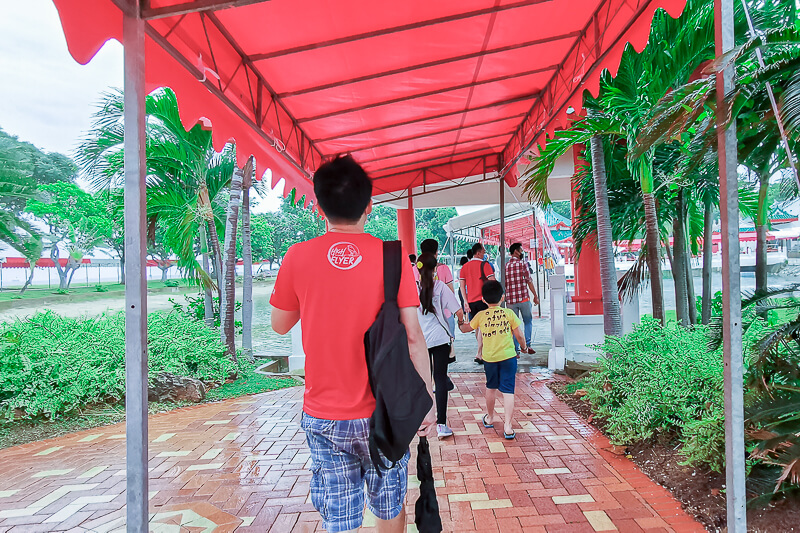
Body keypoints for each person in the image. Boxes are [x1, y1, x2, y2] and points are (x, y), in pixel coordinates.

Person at [270, 155, 435, 533]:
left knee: (340, 517)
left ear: (318, 208)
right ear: (369, 205)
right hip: (386, 411)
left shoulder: (297, 256)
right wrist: (426, 399)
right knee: (390, 505)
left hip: (325, 414)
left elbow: (280, 326)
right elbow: (413, 336)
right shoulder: (391, 257)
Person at [459, 280, 526, 440]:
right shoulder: (509, 313)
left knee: (491, 387)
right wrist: (523, 348)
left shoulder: (481, 316)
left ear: (483, 299)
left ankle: (490, 418)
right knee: (508, 390)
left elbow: (465, 328)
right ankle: (508, 427)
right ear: (502, 297)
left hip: (489, 359)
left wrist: (460, 318)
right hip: (509, 357)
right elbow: (519, 335)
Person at [416, 253, 464, 438]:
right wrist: (461, 321)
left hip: (421, 341)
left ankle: (422, 421)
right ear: (436, 269)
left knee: (423, 381)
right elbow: (457, 310)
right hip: (440, 340)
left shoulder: (413, 289)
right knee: (440, 379)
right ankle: (441, 425)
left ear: (418, 269)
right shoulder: (440, 287)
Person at [459, 243, 495, 364]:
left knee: (477, 327)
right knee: (482, 327)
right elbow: (492, 282)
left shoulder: (465, 267)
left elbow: (462, 286)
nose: (484, 254)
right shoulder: (485, 265)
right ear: (478, 253)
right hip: (483, 301)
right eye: (483, 252)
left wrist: (465, 301)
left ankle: (481, 351)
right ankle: (480, 353)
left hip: (471, 302)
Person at [505, 243, 540, 355]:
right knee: (528, 321)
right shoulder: (522, 264)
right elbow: (529, 280)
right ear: (516, 251)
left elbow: (504, 283)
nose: (522, 252)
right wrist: (535, 295)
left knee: (514, 325)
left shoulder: (506, 266)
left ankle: (516, 350)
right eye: (521, 250)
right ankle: (527, 345)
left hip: (510, 301)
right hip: (523, 298)